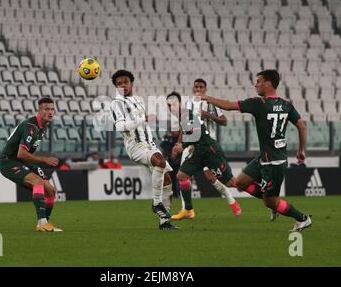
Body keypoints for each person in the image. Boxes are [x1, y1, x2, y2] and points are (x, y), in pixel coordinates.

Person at [198, 69, 312, 232]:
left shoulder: (259, 104)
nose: (255, 84)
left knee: (270, 201)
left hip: (273, 162)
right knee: (240, 183)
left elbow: (230, 106)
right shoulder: (286, 105)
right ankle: (272, 202)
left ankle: (302, 219)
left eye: (258, 81)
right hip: (264, 158)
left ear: (268, 83)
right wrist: (301, 151)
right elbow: (301, 125)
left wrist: (207, 98)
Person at [110, 69, 177, 230]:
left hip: (150, 145)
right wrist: (143, 118)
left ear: (131, 83)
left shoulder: (138, 101)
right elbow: (120, 126)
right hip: (136, 146)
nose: (122, 85)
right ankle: (156, 203)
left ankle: (164, 222)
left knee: (167, 180)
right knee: (160, 162)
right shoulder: (116, 103)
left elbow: (143, 124)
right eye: (119, 84)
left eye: (125, 82)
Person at [167, 92, 242, 220]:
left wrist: (207, 115)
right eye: (196, 87)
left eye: (201, 87)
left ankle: (236, 199)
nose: (198, 89)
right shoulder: (188, 108)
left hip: (208, 147)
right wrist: (180, 143)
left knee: (219, 179)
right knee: (182, 175)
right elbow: (185, 130)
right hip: (194, 147)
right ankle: (187, 209)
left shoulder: (211, 105)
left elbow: (224, 121)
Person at [0, 97, 62, 232]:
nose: (50, 112)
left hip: (22, 162)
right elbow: (21, 153)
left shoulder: (43, 127)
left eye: (52, 109)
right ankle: (41, 223)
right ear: (39, 111)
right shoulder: (30, 127)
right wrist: (44, 160)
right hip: (8, 162)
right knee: (38, 182)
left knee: (50, 190)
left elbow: (25, 156)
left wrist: (35, 165)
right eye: (46, 109)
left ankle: (45, 223)